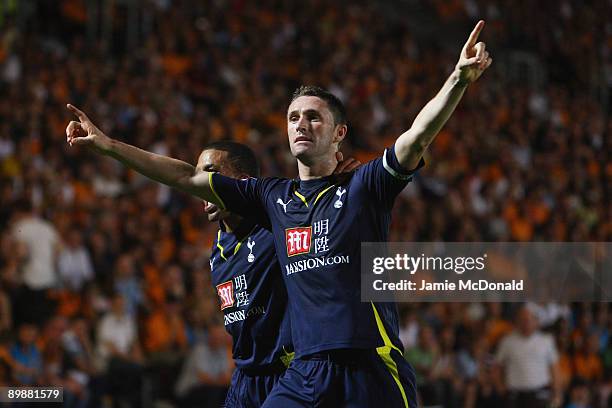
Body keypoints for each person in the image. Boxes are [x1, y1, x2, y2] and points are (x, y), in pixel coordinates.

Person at [66, 20, 492, 406]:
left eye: (314, 117)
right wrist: (107, 146)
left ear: (339, 132)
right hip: (305, 374)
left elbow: (415, 138)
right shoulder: (273, 199)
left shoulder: (364, 189)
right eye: (293, 118)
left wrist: (458, 78)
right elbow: (183, 177)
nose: (301, 124)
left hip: (370, 366)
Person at [493, 306, 562, 408]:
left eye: (529, 320)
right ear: (517, 321)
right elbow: (497, 367)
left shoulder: (546, 341)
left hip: (540, 393)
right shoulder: (507, 341)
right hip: (515, 395)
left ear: (536, 321)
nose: (526, 323)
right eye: (522, 320)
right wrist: (500, 388)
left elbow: (554, 369)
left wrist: (557, 393)